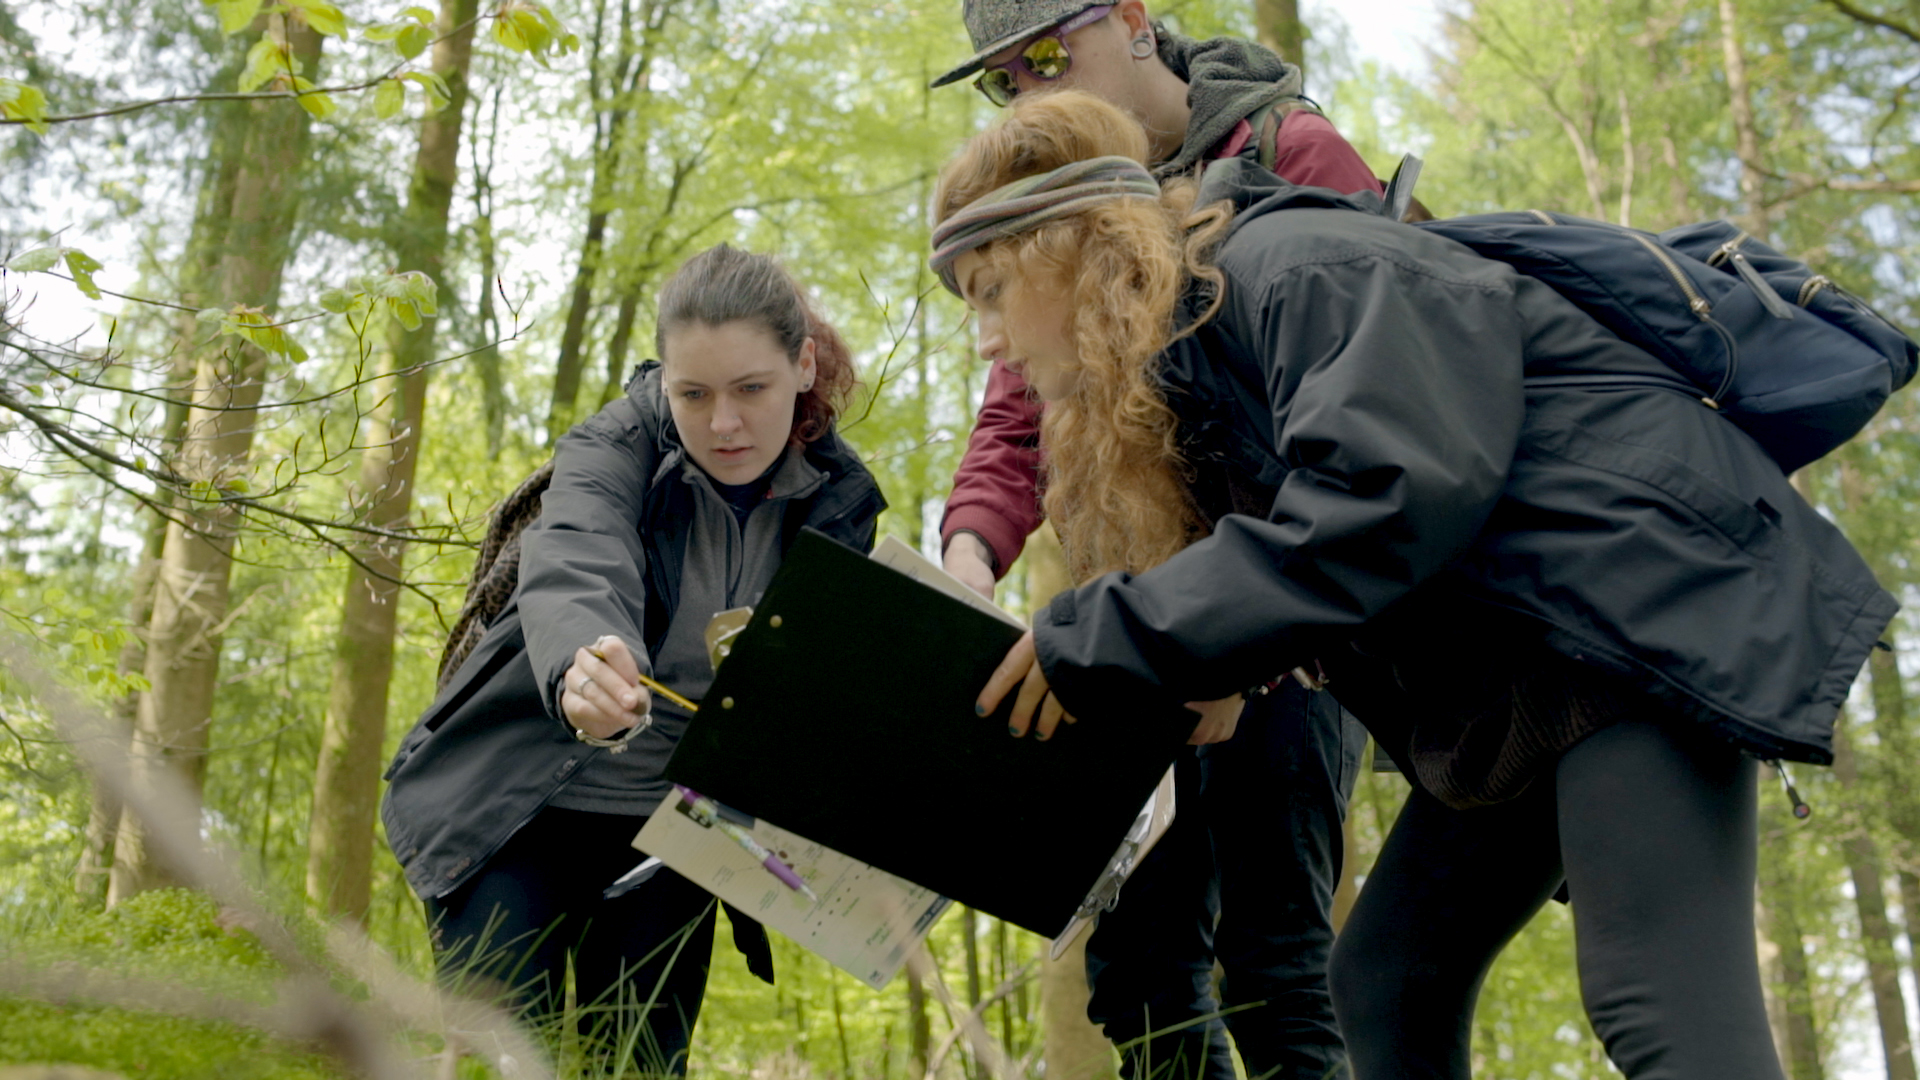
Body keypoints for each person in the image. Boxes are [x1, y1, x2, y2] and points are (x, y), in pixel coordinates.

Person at [934, 91, 1895, 1080]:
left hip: (1633, 612)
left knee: (1658, 1002)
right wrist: (1229, 661)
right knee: (1388, 984)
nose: (989, 341)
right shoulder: (1197, 362)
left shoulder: (1292, 265)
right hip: (1518, 671)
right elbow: (1311, 549)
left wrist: (1107, 633)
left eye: (992, 288)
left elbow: (1387, 495)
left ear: (1072, 246)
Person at [932, 5, 1383, 1077]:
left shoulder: (1289, 153)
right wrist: (963, 564)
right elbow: (1014, 415)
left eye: (1047, 54)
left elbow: (1360, 429)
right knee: (1138, 969)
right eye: (1004, 77)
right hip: (1131, 623)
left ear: (1132, 19)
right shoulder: (1042, 195)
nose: (1031, 88)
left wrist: (1239, 642)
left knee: (1274, 962)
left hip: (1291, 626)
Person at [380, 245, 882, 1075]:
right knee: (500, 1056)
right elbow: (577, 552)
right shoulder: (612, 449)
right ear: (665, 384)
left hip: (671, 833)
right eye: (694, 394)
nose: (723, 423)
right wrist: (587, 657)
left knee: (642, 1063)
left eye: (750, 390)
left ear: (802, 366)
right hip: (513, 808)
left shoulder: (839, 501)